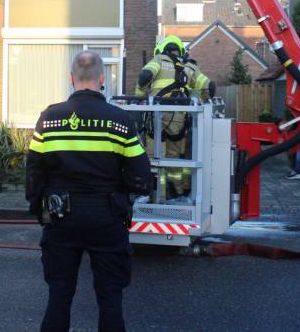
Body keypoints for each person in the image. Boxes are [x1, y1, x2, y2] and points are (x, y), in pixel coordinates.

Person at [27, 51, 151, 332]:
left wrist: (39, 210)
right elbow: (141, 175)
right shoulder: (120, 121)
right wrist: (123, 198)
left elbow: (34, 172)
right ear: (102, 79)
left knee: (58, 298)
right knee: (110, 300)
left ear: (71, 79)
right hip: (106, 217)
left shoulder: (49, 118)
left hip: (60, 217)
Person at [135, 36, 214, 200]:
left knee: (155, 157)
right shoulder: (189, 66)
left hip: (157, 117)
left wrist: (140, 96)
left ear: (162, 49)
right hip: (179, 119)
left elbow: (145, 76)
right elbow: (208, 86)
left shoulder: (158, 60)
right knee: (175, 158)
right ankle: (179, 191)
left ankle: (158, 197)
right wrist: (203, 101)